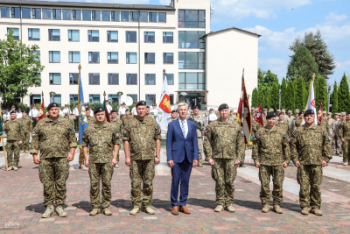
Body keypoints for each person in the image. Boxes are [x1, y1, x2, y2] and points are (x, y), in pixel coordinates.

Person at [30, 103, 77, 218]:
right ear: (48, 111)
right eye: (52, 109)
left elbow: (72, 139)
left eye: (56, 109)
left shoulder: (66, 123)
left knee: (61, 183)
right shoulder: (41, 123)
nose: (54, 111)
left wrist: (72, 153)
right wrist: (34, 155)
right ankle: (49, 206)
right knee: (47, 183)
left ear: (59, 110)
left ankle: (60, 205)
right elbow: (35, 139)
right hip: (45, 158)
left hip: (62, 157)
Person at [204, 103, 244, 213]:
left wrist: (240, 157)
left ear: (229, 111)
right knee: (219, 182)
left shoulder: (235, 125)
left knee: (229, 181)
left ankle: (229, 202)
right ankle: (220, 203)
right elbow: (207, 140)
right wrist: (208, 157)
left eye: (226, 111)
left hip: (231, 158)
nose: (224, 113)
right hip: (217, 158)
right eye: (222, 111)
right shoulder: (212, 125)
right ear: (219, 112)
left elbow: (240, 142)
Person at [290, 109, 331, 216]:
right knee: (303, 186)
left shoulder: (321, 130)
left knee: (316, 186)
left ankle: (315, 207)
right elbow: (293, 145)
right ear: (304, 117)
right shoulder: (299, 130)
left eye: (311, 116)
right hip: (303, 163)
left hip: (317, 163)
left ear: (314, 117)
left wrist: (326, 159)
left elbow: (327, 145)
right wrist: (295, 159)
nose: (309, 117)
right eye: (307, 116)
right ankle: (304, 206)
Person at [123, 101, 161, 215]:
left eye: (143, 108)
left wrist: (157, 155)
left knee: (148, 183)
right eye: (139, 108)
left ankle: (147, 205)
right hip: (135, 158)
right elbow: (126, 140)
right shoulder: (130, 123)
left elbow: (158, 139)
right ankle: (136, 205)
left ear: (146, 110)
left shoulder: (153, 122)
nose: (141, 110)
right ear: (136, 109)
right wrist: (127, 157)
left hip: (149, 158)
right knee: (135, 183)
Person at [82, 107, 120, 216]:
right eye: (98, 114)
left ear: (105, 115)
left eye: (102, 114)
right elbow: (84, 144)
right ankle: (95, 206)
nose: (100, 116)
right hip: (93, 161)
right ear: (95, 116)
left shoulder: (112, 127)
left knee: (106, 184)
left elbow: (116, 143)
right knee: (94, 184)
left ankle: (106, 206)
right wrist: (86, 158)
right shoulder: (89, 129)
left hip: (107, 161)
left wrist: (115, 157)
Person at [252, 112, 290, 214]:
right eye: (269, 119)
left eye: (273, 119)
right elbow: (255, 147)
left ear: (276, 120)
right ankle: (266, 204)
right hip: (264, 162)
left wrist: (287, 160)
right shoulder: (260, 132)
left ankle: (277, 204)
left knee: (278, 184)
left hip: (278, 162)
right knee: (264, 184)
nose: (271, 121)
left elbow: (286, 146)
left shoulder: (282, 132)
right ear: (266, 120)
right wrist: (256, 160)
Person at [167, 103, 199, 215]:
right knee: (175, 181)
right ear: (177, 111)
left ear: (187, 111)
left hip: (188, 157)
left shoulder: (192, 125)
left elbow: (195, 141)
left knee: (185, 181)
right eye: (181, 110)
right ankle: (174, 204)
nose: (183, 111)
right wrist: (169, 157)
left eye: (185, 110)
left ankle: (183, 204)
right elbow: (169, 142)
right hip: (176, 157)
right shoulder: (172, 125)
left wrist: (196, 157)